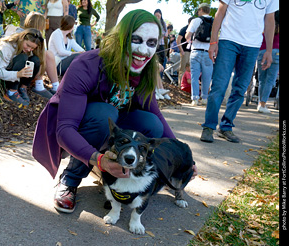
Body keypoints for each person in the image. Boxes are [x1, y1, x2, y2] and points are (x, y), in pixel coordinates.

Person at [33, 9, 197, 213]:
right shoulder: (86, 65)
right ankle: (70, 179)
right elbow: (65, 128)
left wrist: (182, 156)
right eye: (136, 39)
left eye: (151, 43)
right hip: (77, 130)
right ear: (121, 38)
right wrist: (99, 159)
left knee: (151, 124)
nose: (144, 51)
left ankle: (118, 173)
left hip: (111, 132)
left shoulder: (145, 70)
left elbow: (157, 116)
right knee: (105, 114)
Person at [200, 0, 279, 143]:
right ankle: (209, 127)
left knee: (240, 88)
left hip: (252, 45)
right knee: (219, 86)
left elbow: (269, 20)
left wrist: (268, 50)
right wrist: (213, 42)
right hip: (228, 40)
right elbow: (220, 12)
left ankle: (226, 126)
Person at [0, 28, 45, 106]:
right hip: (3, 79)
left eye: (32, 48)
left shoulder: (26, 49)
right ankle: (11, 92)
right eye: (27, 45)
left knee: (35, 60)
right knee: (22, 57)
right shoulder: (6, 46)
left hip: (16, 76)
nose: (29, 49)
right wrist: (18, 74)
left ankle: (22, 88)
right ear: (22, 38)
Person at [22, 11, 60, 97]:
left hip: (33, 67)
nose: (44, 27)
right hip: (25, 67)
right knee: (40, 54)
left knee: (48, 53)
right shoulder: (23, 35)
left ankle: (56, 87)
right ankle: (38, 85)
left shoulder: (38, 36)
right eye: (42, 25)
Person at [185, 3, 213, 106]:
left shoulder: (196, 20)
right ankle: (205, 98)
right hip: (208, 52)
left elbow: (187, 36)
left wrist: (190, 39)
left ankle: (195, 99)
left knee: (194, 76)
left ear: (200, 10)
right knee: (207, 77)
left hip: (196, 51)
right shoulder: (214, 21)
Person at [257, 10, 279, 114]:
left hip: (261, 51)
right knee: (270, 80)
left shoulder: (265, 24)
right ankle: (263, 104)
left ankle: (260, 103)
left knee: (261, 79)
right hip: (276, 53)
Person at [177, 17, 193, 83]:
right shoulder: (184, 29)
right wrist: (181, 50)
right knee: (183, 68)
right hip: (185, 51)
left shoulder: (194, 30)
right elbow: (178, 40)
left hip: (191, 51)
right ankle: (180, 84)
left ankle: (187, 85)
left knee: (190, 69)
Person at [154, 9, 168, 77]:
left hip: (161, 44)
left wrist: (160, 33)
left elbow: (166, 34)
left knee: (161, 60)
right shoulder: (152, 22)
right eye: (155, 15)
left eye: (158, 15)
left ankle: (159, 76)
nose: (157, 17)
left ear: (161, 15)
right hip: (154, 44)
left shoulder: (163, 23)